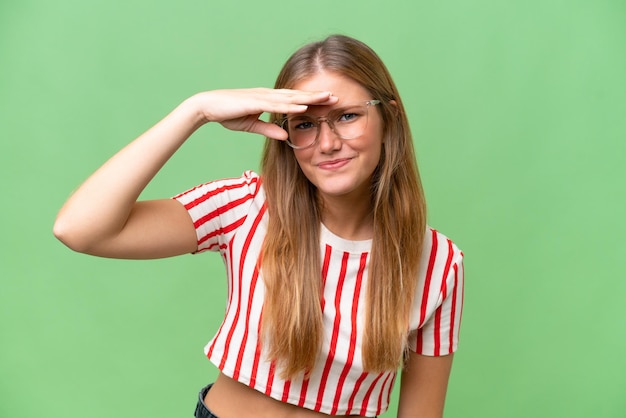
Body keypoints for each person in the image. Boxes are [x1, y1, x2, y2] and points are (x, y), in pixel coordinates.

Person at [54, 34, 464, 418]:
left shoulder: (439, 264)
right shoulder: (246, 205)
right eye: (305, 123)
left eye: (347, 116)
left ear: (389, 119)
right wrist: (194, 111)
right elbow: (80, 228)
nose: (327, 143)